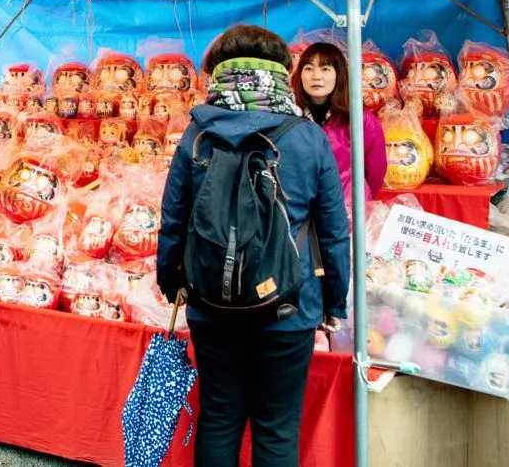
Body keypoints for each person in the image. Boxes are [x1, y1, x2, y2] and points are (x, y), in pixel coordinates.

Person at [157, 25, 350, 466]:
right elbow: (334, 231)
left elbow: (173, 220)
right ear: (283, 73)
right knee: (277, 428)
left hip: (211, 303)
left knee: (219, 418)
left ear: (218, 73)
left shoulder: (197, 133)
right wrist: (335, 302)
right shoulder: (308, 137)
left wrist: (172, 284)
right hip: (290, 304)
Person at [292, 42, 387, 201]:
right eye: (308, 68)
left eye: (325, 69)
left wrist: (356, 202)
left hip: (345, 209)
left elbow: (375, 171)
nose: (316, 76)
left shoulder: (360, 119)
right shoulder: (290, 117)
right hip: (301, 208)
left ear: (339, 74)